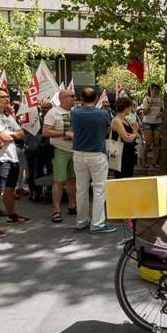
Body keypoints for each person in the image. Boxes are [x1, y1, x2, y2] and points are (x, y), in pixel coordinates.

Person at [0, 87, 30, 234]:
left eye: (7, 96)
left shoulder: (8, 116)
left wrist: (10, 135)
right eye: (3, 97)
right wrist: (11, 135)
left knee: (10, 189)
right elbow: (3, 137)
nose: (7, 99)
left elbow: (22, 132)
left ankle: (12, 215)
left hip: (12, 158)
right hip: (0, 159)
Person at [70, 87, 116, 234]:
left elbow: (72, 129)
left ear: (81, 98)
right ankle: (97, 223)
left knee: (81, 189)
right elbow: (108, 130)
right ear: (96, 98)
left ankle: (81, 221)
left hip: (78, 153)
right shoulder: (103, 113)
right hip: (96, 153)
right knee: (99, 189)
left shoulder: (74, 112)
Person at [42, 90, 77, 223]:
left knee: (72, 180)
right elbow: (45, 132)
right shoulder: (53, 112)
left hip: (75, 150)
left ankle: (72, 206)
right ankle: (56, 211)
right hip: (59, 150)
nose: (75, 98)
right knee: (58, 181)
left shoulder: (75, 111)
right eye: (72, 96)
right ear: (63, 98)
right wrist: (65, 134)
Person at [111, 97, 138, 179]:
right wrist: (134, 134)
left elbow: (136, 134)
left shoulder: (126, 120)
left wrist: (134, 134)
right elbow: (126, 138)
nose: (131, 109)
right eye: (130, 106)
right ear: (126, 107)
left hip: (129, 153)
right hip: (121, 154)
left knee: (128, 176)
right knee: (121, 178)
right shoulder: (117, 120)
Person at [141, 84, 164, 168]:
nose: (155, 91)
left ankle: (154, 162)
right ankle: (144, 160)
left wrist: (161, 114)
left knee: (156, 143)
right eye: (153, 89)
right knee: (148, 142)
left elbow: (163, 111)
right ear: (150, 90)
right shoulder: (146, 99)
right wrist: (150, 104)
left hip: (158, 122)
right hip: (147, 122)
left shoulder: (160, 99)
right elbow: (145, 113)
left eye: (157, 89)